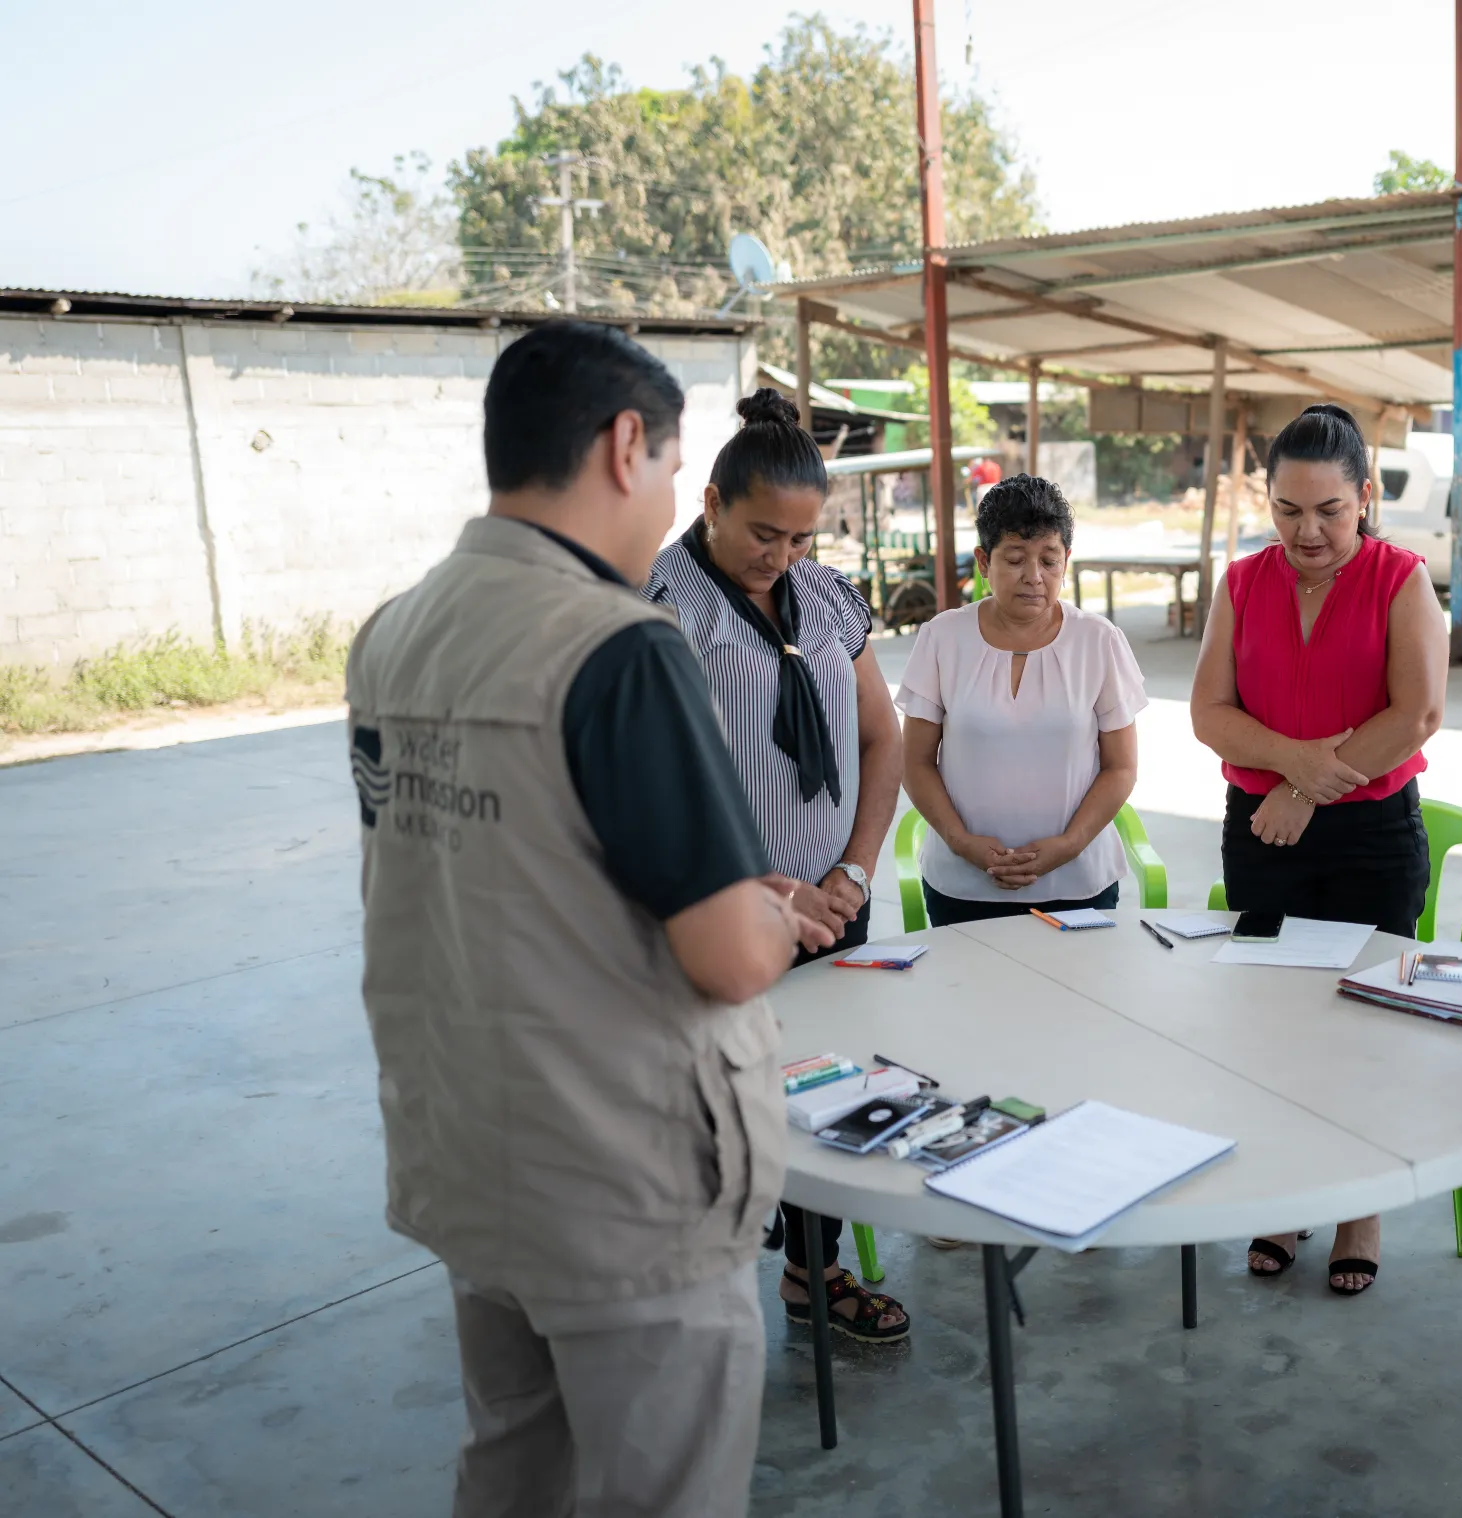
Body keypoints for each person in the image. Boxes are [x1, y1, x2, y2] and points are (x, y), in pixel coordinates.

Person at [346, 320, 838, 1518]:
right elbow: (726, 957)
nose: (668, 496)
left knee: (515, 1469)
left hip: (472, 1152)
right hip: (623, 1184)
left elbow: (504, 866)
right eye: (674, 470)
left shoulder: (395, 634)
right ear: (629, 445)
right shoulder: (616, 645)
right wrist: (778, 915)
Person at [645, 389, 912, 1345]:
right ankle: (693, 1302)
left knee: (830, 1089)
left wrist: (855, 870)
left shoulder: (831, 597)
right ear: (711, 502)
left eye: (800, 539)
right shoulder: (665, 606)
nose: (781, 559)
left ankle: (814, 1272)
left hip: (834, 909)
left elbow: (883, 740)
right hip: (720, 915)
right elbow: (655, 785)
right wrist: (765, 890)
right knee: (713, 1110)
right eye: (764, 534)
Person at [1191, 401, 1448, 1297]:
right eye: (1288, 509)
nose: (1307, 531)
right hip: (1261, 835)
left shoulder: (1401, 579)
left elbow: (1414, 714)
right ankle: (1284, 1193)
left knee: (1362, 1027)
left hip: (1369, 838)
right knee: (1272, 1030)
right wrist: (1288, 772)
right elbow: (1207, 713)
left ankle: (1360, 1209)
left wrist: (1304, 787)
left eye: (1329, 510)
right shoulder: (1242, 583)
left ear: (1365, 497)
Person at [898, 473, 1147, 926]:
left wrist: (1070, 844)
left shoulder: (1099, 641)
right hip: (963, 885)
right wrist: (960, 842)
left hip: (1078, 883)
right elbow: (915, 762)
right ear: (982, 561)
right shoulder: (942, 638)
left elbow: (1121, 767)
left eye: (1050, 561)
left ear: (1066, 561)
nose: (1034, 577)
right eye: (1014, 559)